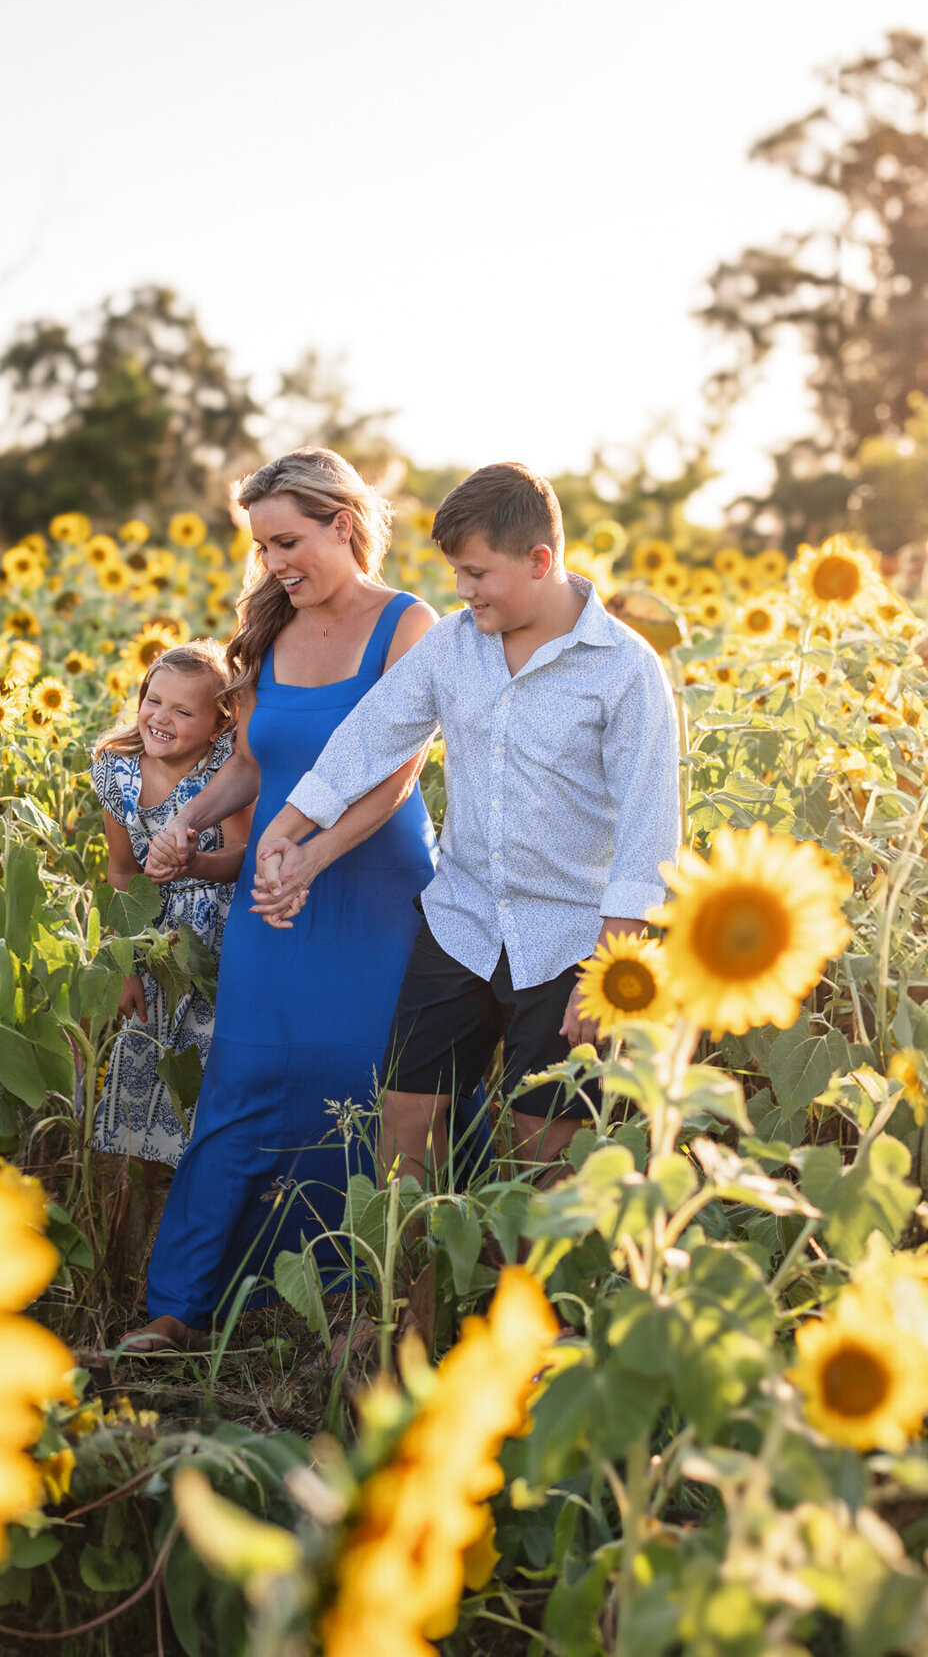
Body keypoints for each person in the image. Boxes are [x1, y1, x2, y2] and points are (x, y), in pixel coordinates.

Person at [256, 461, 682, 1190]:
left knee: (541, 1147)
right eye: (456, 571)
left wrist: (611, 976)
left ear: (540, 561)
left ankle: (524, 1295)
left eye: (478, 573)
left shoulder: (624, 669)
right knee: (403, 1116)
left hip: (572, 943)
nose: (462, 590)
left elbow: (650, 826)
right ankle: (404, 1292)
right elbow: (375, 733)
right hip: (462, 918)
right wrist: (289, 827)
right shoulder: (456, 644)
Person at [125, 448, 440, 1352]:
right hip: (274, 890)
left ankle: (342, 1305)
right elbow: (258, 766)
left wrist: (313, 853)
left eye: (289, 541)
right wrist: (190, 823)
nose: (275, 565)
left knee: (359, 1088)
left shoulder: (407, 625)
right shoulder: (268, 632)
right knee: (243, 1081)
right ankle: (181, 1307)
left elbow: (397, 772)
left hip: (374, 890)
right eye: (263, 547)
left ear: (345, 523)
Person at [89, 641, 252, 1171]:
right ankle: (140, 1176)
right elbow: (121, 871)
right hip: (152, 940)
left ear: (218, 723)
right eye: (154, 700)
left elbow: (239, 855)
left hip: (215, 939)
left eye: (183, 711)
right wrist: (124, 964)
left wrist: (193, 865)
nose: (161, 718)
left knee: (205, 1061)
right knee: (146, 1052)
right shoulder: (116, 773)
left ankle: (198, 1173)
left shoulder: (224, 771)